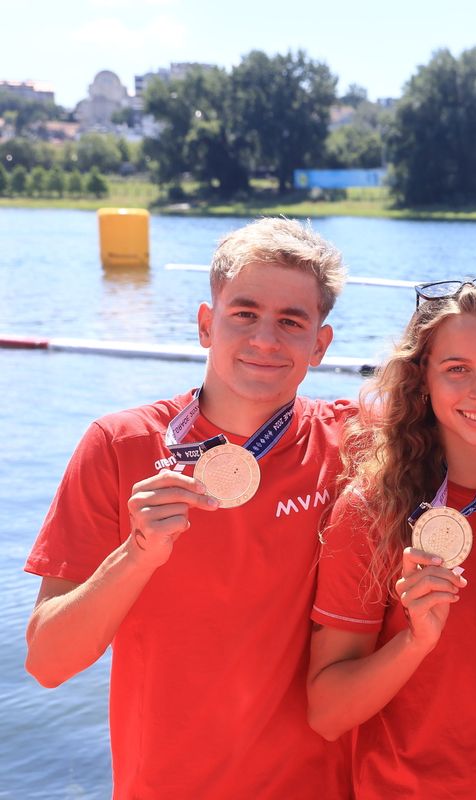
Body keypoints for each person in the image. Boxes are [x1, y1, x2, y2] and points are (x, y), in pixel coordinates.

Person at [24, 218, 353, 798]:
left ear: (320, 345)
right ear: (206, 324)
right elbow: (49, 662)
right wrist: (137, 554)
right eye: (244, 314)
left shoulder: (353, 444)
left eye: (291, 322)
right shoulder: (119, 445)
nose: (266, 340)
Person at [307, 278, 476, 798]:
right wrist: (415, 643)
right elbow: (326, 713)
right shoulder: (371, 512)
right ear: (422, 381)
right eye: (457, 370)